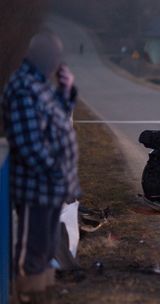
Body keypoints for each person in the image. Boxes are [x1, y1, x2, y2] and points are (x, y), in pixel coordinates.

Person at [2, 30, 80, 303]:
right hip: (36, 188)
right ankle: (28, 296)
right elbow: (30, 145)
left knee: (46, 250)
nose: (56, 62)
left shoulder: (39, 86)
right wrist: (57, 173)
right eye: (54, 57)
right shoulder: (23, 87)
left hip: (51, 189)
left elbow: (57, 121)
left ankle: (44, 296)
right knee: (32, 251)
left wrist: (66, 91)